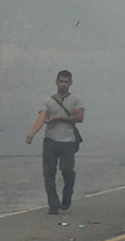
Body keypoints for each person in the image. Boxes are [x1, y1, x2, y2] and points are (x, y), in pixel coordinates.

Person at [25, 69, 84, 214]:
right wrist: (32, 133)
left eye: (66, 82)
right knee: (49, 174)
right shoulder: (48, 101)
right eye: (61, 81)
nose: (63, 84)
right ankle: (53, 203)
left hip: (68, 142)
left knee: (67, 171)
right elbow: (41, 118)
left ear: (70, 83)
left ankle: (67, 194)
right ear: (56, 82)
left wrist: (59, 118)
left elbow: (79, 117)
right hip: (51, 141)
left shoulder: (76, 100)